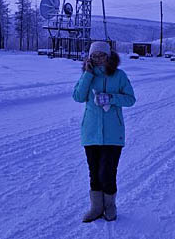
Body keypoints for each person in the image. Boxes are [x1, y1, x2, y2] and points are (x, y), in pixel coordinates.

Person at [72, 41, 136, 222]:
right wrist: (87, 74)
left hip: (113, 134)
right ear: (90, 57)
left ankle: (110, 206)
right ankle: (96, 207)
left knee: (107, 172)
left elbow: (131, 99)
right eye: (94, 55)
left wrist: (111, 98)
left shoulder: (119, 76)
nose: (98, 58)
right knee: (94, 172)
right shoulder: (87, 75)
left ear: (108, 56)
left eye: (101, 55)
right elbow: (78, 97)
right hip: (90, 132)